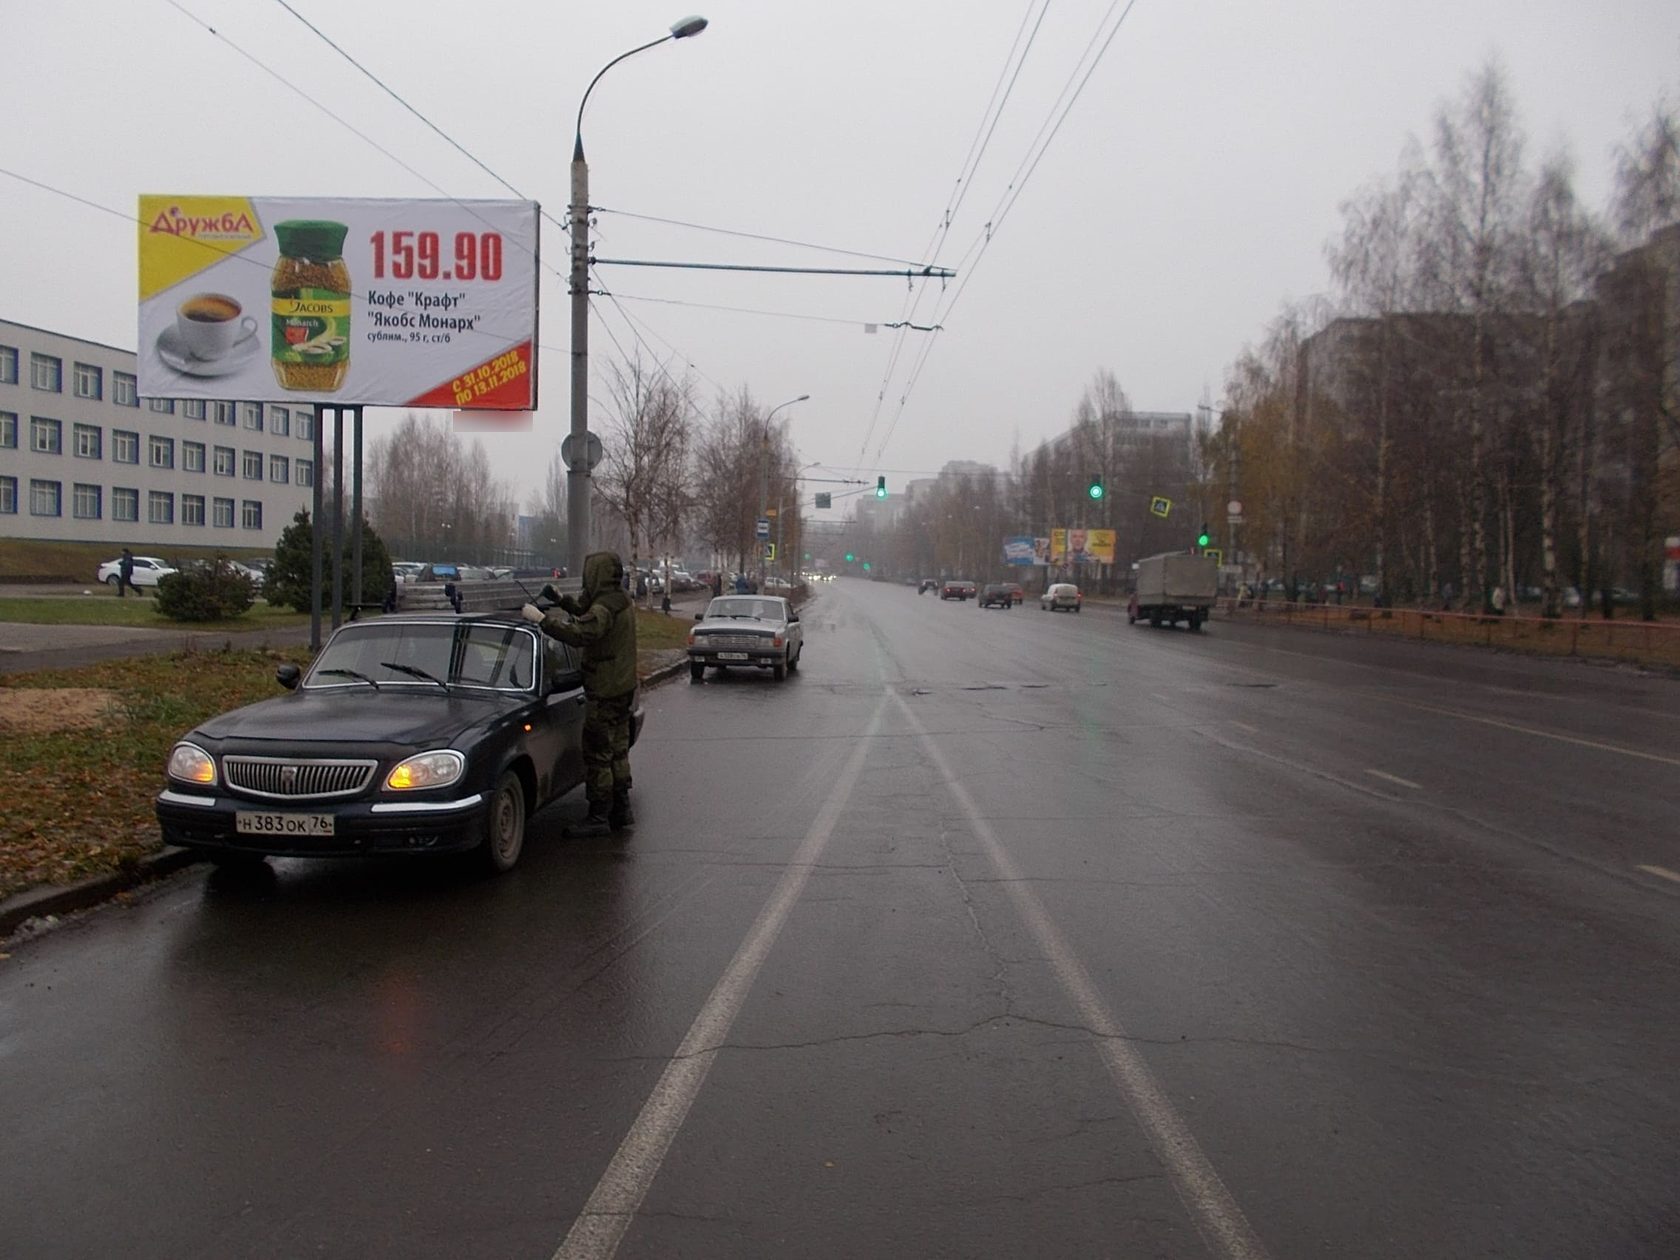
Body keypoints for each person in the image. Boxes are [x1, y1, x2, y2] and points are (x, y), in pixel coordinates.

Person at [522, 550, 638, 836]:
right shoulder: (619, 600)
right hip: (623, 688)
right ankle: (621, 810)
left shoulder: (603, 609)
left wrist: (542, 621)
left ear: (595, 574)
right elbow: (587, 613)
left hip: (604, 690)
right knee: (618, 752)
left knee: (598, 753)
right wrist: (562, 600)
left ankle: (598, 817)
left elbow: (580, 634)